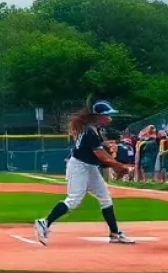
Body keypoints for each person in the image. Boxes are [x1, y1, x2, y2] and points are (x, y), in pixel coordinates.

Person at [33, 102, 136, 245]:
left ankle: (114, 234)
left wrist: (116, 164)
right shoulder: (90, 131)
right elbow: (101, 156)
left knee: (105, 197)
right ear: (98, 116)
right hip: (79, 166)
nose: (109, 117)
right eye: (107, 114)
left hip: (89, 167)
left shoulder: (94, 129)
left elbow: (101, 154)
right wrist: (120, 167)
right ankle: (44, 222)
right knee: (74, 199)